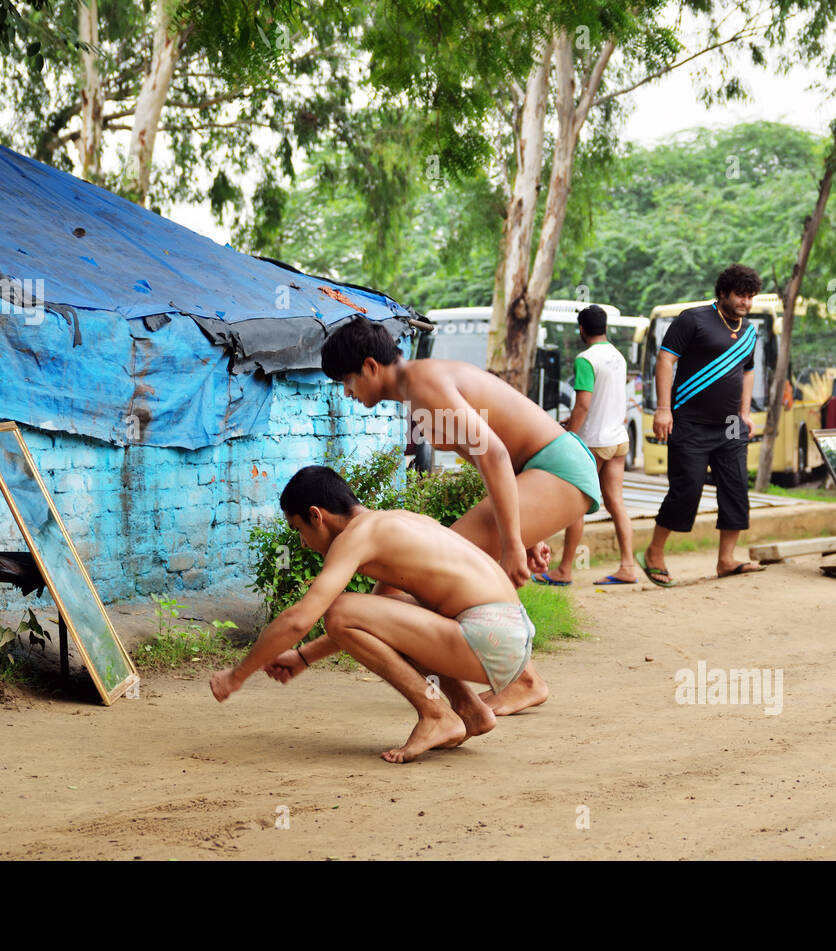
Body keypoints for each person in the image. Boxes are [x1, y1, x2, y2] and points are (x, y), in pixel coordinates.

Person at [317, 315, 601, 715]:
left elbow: (496, 455)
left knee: (427, 571)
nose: (346, 392)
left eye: (346, 380)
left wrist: (514, 542)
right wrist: (524, 527)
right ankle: (440, 683)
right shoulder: (415, 389)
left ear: (370, 366)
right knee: (409, 579)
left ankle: (522, 681)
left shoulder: (422, 384)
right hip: (539, 472)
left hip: (555, 467)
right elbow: (491, 458)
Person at [208, 466, 530, 764]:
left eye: (298, 530)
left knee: (339, 608)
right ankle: (469, 709)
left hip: (487, 635)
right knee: (369, 612)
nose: (303, 544)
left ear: (316, 515)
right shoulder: (395, 523)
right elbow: (372, 630)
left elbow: (300, 619)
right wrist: (303, 657)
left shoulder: (358, 536)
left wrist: (237, 676)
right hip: (508, 635)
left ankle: (436, 715)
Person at [638, 264, 767, 586]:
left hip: (730, 424)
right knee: (686, 490)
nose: (746, 302)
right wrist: (663, 409)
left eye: (751, 296)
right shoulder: (692, 319)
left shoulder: (749, 331)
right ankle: (654, 553)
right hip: (689, 421)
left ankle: (726, 560)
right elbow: (665, 360)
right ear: (723, 292)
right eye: (740, 295)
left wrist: (745, 413)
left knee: (737, 488)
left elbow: (748, 370)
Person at [538, 304, 638, 585]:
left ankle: (565, 570)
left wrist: (569, 433)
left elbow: (583, 403)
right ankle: (628, 566)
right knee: (615, 503)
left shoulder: (586, 359)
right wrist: (574, 420)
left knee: (576, 504)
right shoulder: (617, 356)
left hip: (594, 442)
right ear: (604, 327)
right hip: (618, 439)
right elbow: (605, 399)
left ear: (581, 330)